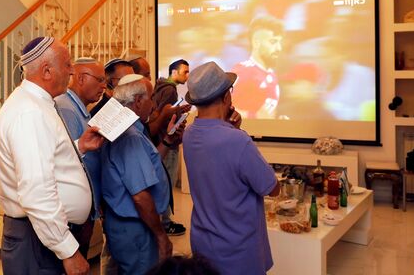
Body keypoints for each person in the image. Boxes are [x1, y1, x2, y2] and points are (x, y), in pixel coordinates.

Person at [0, 37, 104, 275]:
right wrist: (69, 251)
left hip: (40, 235)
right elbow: (37, 191)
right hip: (36, 239)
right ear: (46, 70)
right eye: (67, 65)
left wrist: (78, 146)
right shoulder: (30, 112)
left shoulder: (36, 104)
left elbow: (44, 157)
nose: (72, 71)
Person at [182, 62, 280, 275]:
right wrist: (236, 132)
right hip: (238, 249)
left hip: (203, 243)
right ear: (227, 96)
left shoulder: (189, 134)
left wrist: (231, 129)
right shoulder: (237, 141)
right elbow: (272, 187)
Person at [100, 74, 172, 275]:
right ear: (139, 101)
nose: (154, 105)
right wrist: (160, 235)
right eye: (151, 98)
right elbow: (140, 196)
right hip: (136, 229)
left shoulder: (122, 129)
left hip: (124, 225)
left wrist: (167, 141)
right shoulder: (130, 136)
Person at [54, 57, 106, 257]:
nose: (104, 86)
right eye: (100, 80)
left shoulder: (79, 107)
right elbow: (72, 160)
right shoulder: (66, 107)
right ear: (82, 78)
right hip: (72, 213)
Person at [153, 59, 190, 236]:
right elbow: (165, 116)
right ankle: (165, 223)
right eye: (185, 72)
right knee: (166, 183)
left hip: (160, 142)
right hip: (167, 143)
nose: (187, 76)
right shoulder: (169, 90)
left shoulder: (160, 87)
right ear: (174, 72)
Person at [231, 15, 284, 119]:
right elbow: (220, 110)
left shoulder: (271, 74)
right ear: (256, 43)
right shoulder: (243, 71)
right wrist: (254, 116)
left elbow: (266, 115)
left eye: (280, 42)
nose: (279, 48)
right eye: (273, 42)